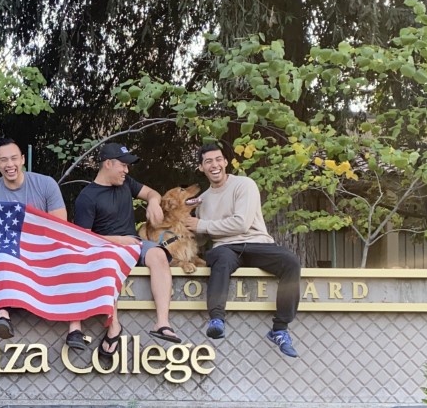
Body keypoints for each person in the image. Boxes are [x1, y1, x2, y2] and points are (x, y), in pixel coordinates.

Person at [182, 142, 301, 358]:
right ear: (201, 168)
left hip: (256, 242)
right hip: (225, 248)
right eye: (208, 161)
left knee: (291, 262)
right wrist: (182, 227)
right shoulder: (202, 200)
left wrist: (201, 225)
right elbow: (201, 239)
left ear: (226, 162)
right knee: (220, 258)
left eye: (218, 159)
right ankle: (216, 319)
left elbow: (241, 224)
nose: (214, 165)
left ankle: (280, 329)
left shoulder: (244, 185)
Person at [71, 142, 177, 360]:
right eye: (123, 165)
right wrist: (118, 240)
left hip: (134, 245)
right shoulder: (87, 197)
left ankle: (162, 323)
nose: (127, 171)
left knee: (158, 254)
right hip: (106, 249)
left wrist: (154, 203)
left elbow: (151, 193)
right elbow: (82, 238)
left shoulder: (126, 183)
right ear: (108, 164)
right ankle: (114, 327)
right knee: (110, 261)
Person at [0, 137, 67, 339]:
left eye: (14, 158)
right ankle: (3, 316)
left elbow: (60, 226)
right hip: (12, 253)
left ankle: (75, 329)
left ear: (23, 159)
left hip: (45, 247)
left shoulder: (45, 184)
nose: (10, 165)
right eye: (4, 160)